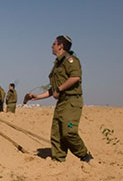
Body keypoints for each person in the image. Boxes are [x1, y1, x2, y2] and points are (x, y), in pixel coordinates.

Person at [24, 35, 92, 163]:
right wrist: (37, 97)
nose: (52, 46)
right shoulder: (57, 65)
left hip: (72, 102)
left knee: (69, 130)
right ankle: (58, 159)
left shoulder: (70, 60)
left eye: (54, 44)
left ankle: (85, 156)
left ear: (60, 46)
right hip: (61, 103)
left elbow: (75, 77)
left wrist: (59, 89)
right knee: (57, 133)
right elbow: (53, 89)